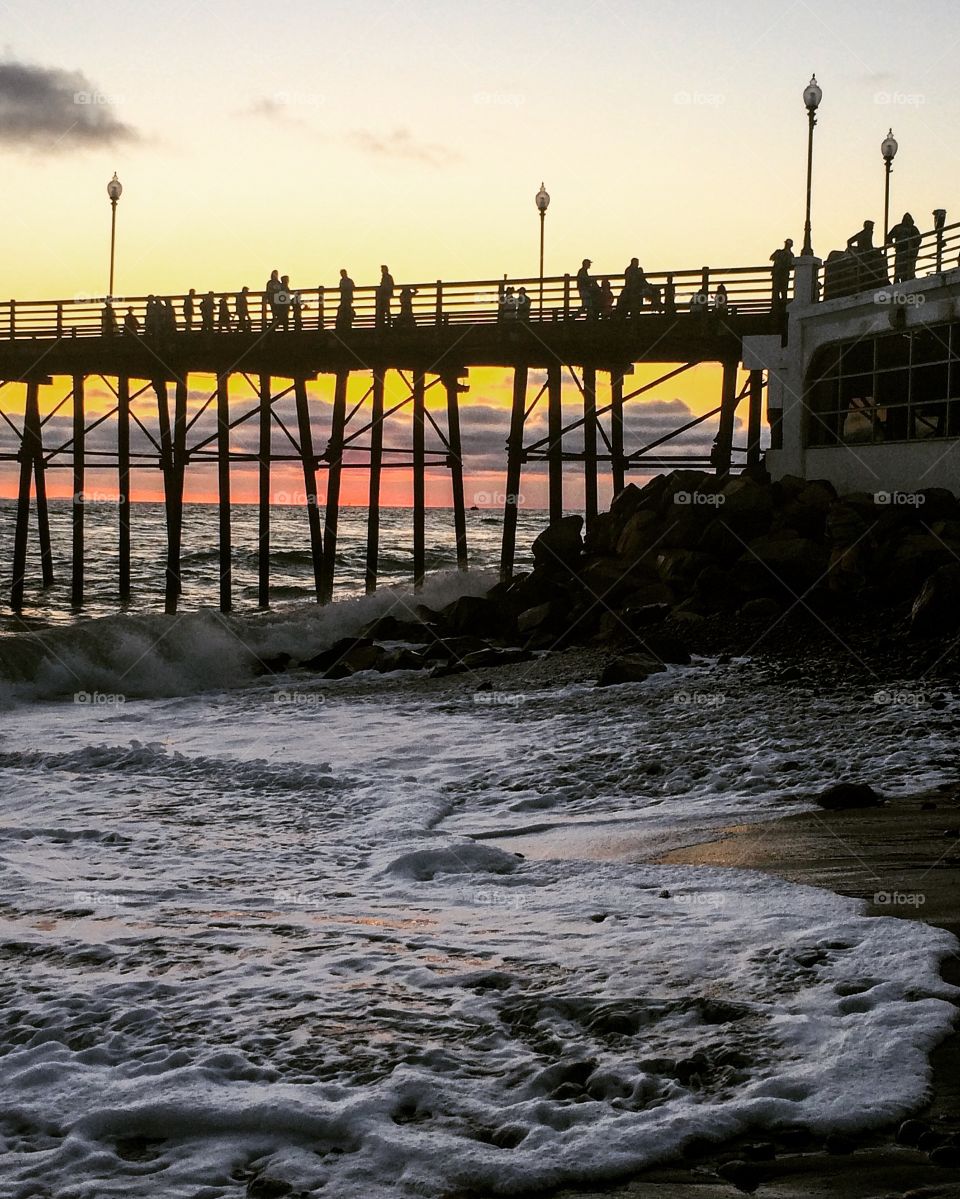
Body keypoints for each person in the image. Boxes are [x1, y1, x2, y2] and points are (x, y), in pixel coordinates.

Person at [886, 213, 921, 283]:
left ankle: (907, 279)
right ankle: (897, 281)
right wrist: (894, 245)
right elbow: (888, 238)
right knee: (899, 268)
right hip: (900, 251)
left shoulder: (913, 229)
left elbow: (918, 240)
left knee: (908, 268)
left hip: (910, 252)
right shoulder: (898, 228)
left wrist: (913, 248)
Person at [770, 238, 795, 306]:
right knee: (776, 291)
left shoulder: (791, 255)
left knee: (783, 291)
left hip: (784, 275)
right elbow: (771, 258)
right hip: (777, 274)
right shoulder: (779, 252)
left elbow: (792, 264)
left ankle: (782, 306)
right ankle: (775, 306)